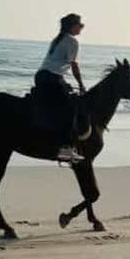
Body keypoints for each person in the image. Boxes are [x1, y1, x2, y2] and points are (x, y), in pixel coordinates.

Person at [34, 13, 86, 163]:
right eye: (80, 25)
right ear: (73, 26)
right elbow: (74, 65)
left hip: (42, 76)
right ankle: (65, 147)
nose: (81, 28)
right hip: (52, 78)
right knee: (70, 109)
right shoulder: (72, 41)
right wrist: (81, 84)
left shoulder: (58, 39)